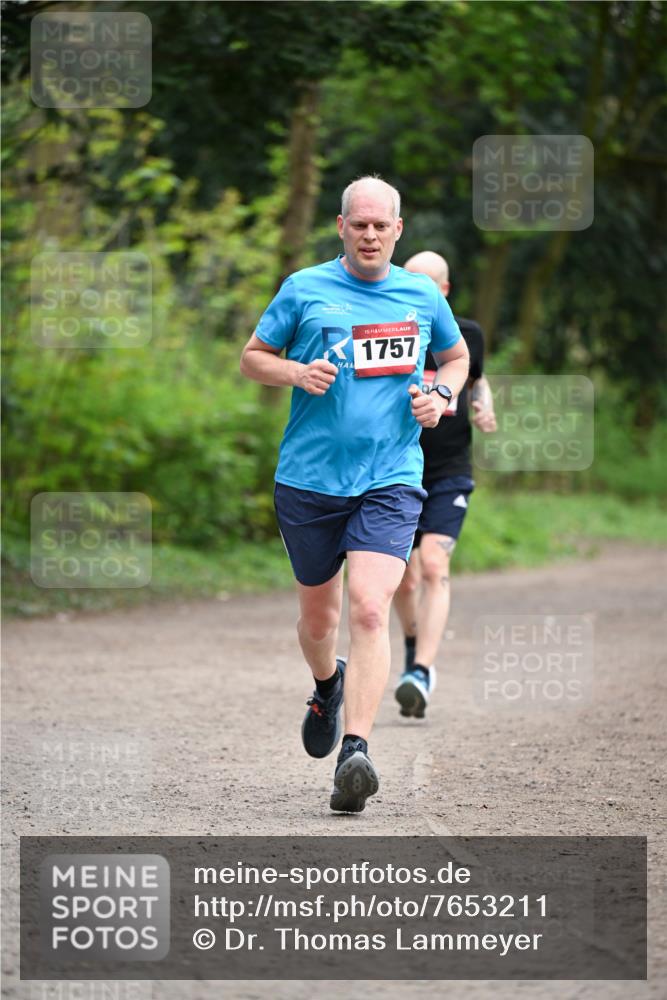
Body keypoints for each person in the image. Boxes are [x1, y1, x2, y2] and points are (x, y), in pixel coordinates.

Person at [240, 178, 470, 813]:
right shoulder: (303, 288)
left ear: (398, 230)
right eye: (359, 224)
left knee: (370, 610)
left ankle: (355, 753)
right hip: (309, 481)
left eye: (381, 225)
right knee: (320, 622)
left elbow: (455, 359)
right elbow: (252, 358)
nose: (370, 235)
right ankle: (326, 686)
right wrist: (295, 371)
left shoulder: (421, 294)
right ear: (341, 227)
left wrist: (441, 395)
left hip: (390, 476)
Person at [393, 251, 496, 719]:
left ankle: (421, 671)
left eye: (426, 284)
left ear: (445, 290)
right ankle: (413, 645)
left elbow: (477, 378)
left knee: (434, 564)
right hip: (397, 469)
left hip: (448, 471)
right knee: (402, 578)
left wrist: (484, 405)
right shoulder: (389, 330)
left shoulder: (466, 333)